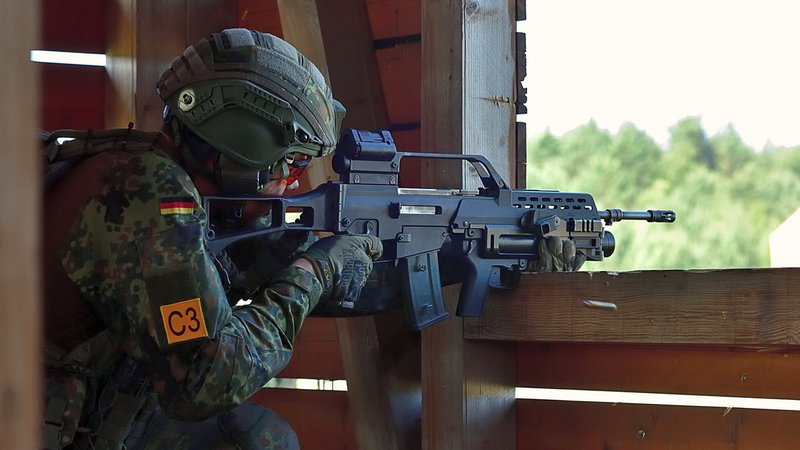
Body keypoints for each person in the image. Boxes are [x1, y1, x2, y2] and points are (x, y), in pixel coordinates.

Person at [42, 28, 381, 450]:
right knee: (262, 442)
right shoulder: (151, 193)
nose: (294, 181)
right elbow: (205, 382)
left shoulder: (136, 166)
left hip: (69, 403)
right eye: (292, 163)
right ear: (244, 149)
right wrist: (313, 270)